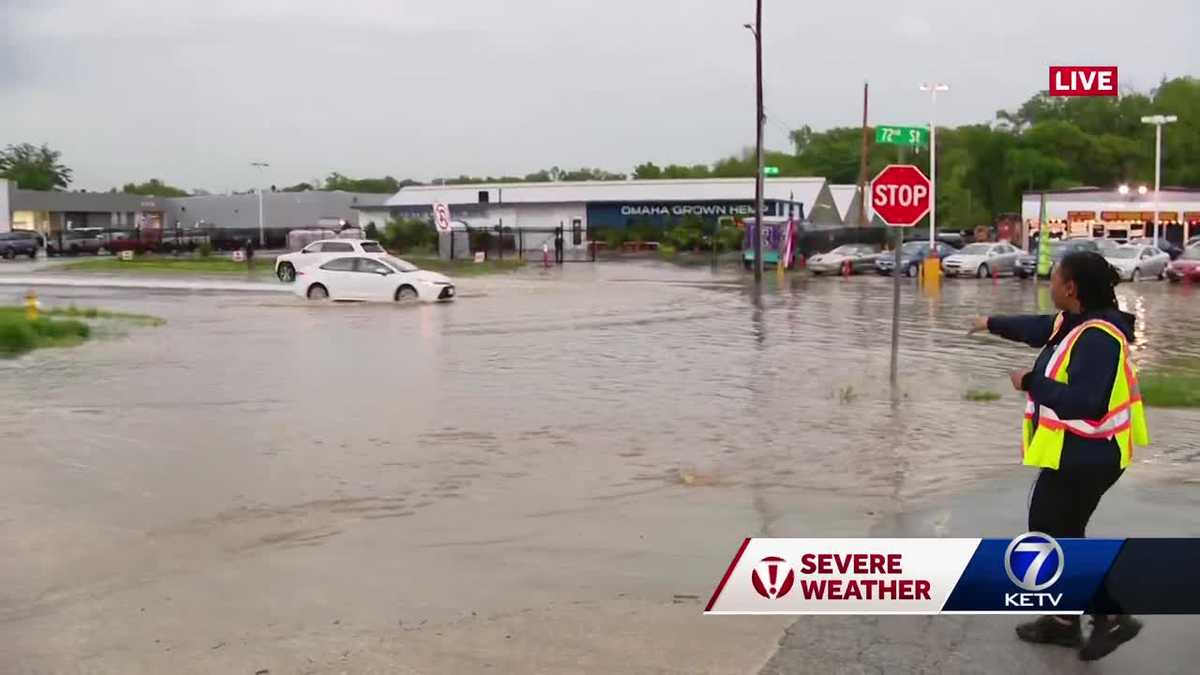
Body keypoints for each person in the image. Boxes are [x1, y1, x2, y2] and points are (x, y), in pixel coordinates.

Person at [968, 251, 1149, 662]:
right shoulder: (1076, 323)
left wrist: (1030, 381)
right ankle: (1066, 622)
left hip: (1090, 455)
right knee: (1057, 534)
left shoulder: (1099, 336)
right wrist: (990, 323)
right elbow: (1038, 329)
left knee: (1056, 537)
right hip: (1079, 453)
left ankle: (1110, 616)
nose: (1048, 285)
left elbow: (1087, 402)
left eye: (1054, 279)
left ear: (1071, 288)